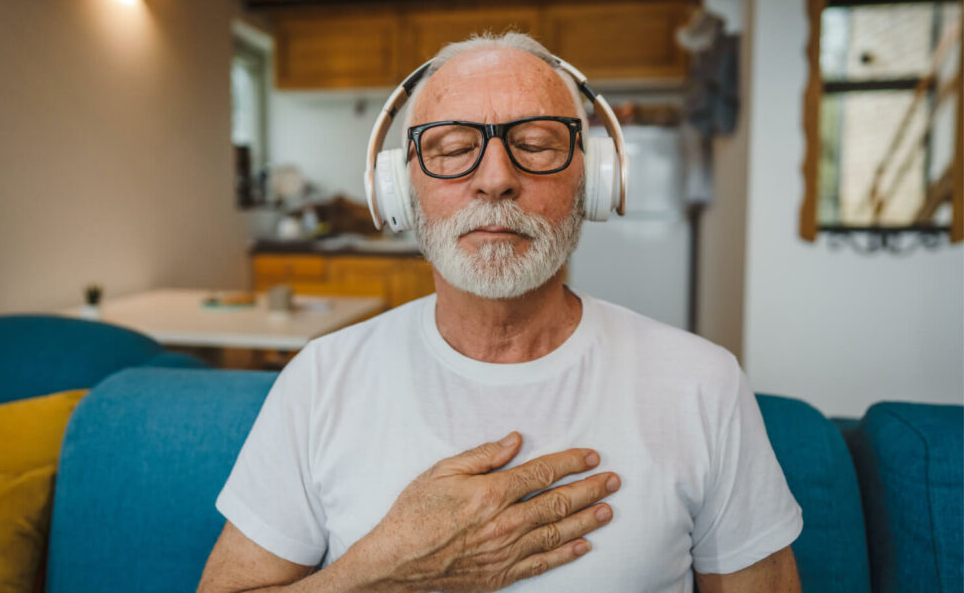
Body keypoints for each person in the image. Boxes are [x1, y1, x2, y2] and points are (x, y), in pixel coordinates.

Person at [198, 32, 803, 593]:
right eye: (453, 148)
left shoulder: (703, 383)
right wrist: (383, 572)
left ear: (594, 180)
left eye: (535, 145)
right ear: (399, 190)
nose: (495, 178)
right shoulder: (319, 379)